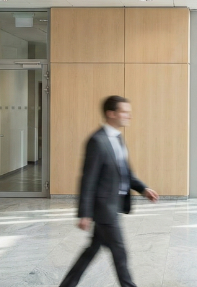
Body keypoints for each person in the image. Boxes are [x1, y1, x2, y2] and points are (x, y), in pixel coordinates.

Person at [59, 96, 159, 287]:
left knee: (92, 250)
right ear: (111, 114)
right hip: (104, 207)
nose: (129, 116)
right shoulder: (97, 141)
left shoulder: (118, 139)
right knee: (120, 252)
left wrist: (144, 189)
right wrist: (85, 213)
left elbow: (126, 173)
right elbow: (87, 179)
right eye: (124, 112)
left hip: (114, 204)